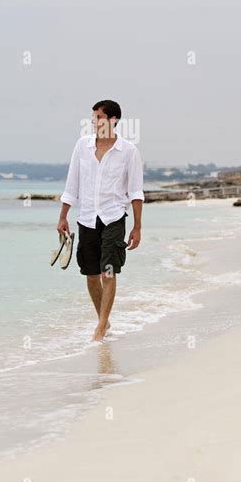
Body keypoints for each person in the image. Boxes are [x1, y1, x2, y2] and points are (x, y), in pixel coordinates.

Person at [57, 100, 144, 341]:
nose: (94, 121)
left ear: (113, 120)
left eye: (99, 117)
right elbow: (71, 183)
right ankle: (103, 321)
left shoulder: (129, 152)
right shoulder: (82, 146)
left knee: (108, 272)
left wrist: (137, 227)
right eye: (93, 117)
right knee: (91, 274)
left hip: (113, 217)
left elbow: (136, 192)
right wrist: (63, 216)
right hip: (86, 219)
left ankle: (100, 327)